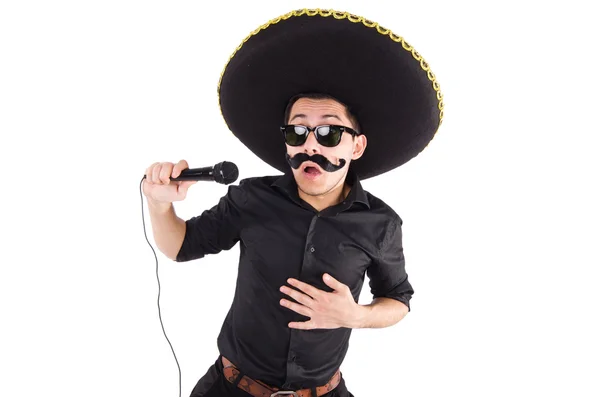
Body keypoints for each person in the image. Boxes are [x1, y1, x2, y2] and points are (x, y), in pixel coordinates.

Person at [143, 8, 444, 397]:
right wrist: (160, 205)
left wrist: (357, 315)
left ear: (357, 145)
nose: (311, 146)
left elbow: (398, 299)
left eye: (329, 133)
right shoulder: (251, 198)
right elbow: (179, 246)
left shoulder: (381, 224)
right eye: (298, 131)